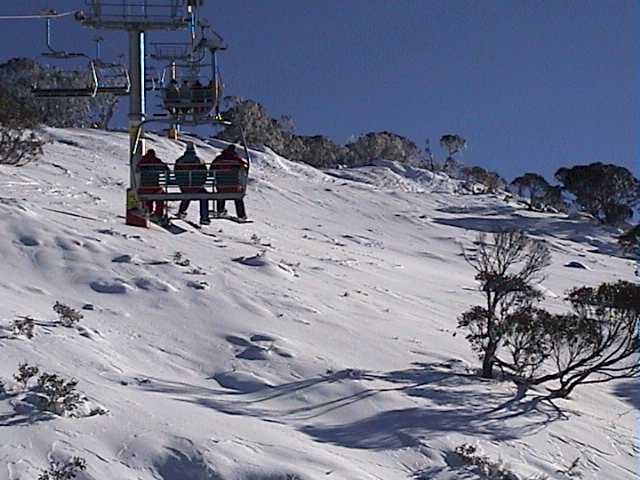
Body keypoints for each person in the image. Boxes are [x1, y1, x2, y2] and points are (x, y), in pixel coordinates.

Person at [210, 144, 249, 219]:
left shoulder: (219, 158)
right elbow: (244, 167)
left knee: (221, 192)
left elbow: (212, 170)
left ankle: (220, 210)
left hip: (221, 186)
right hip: (234, 186)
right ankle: (241, 215)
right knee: (238, 197)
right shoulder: (236, 159)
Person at [175, 142, 210, 224]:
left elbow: (177, 174)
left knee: (187, 193)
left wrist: (181, 183)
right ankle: (204, 217)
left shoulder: (179, 160)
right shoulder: (200, 161)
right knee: (204, 195)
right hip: (197, 186)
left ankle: (181, 211)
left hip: (184, 186)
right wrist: (201, 183)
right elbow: (205, 174)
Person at [137, 149, 169, 222]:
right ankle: (158, 214)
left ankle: (148, 210)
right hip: (154, 188)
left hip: (144, 188)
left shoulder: (143, 160)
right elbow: (166, 169)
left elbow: (137, 168)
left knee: (148, 196)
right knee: (160, 195)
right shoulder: (156, 161)